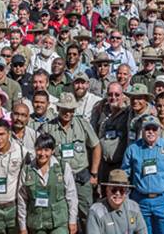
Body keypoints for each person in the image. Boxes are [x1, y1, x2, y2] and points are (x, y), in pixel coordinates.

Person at [39, 92, 102, 231]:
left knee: (87, 213)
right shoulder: (48, 128)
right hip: (59, 178)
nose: (68, 113)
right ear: (58, 109)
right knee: (62, 216)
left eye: (71, 110)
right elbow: (41, 152)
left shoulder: (82, 124)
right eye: (64, 109)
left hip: (81, 176)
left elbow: (96, 146)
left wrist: (94, 173)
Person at [122, 116, 164, 234]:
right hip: (140, 201)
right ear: (142, 130)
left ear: (159, 130)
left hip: (163, 201)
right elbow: (125, 174)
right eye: (147, 129)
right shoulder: (133, 149)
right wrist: (126, 198)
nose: (151, 132)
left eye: (154, 129)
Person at [18, 132, 79, 234]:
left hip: (59, 221)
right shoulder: (27, 170)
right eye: (39, 149)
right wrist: (22, 226)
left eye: (46, 150)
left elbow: (71, 195)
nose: (42, 154)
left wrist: (72, 220)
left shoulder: (63, 167)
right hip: (37, 223)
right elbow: (22, 200)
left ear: (52, 151)